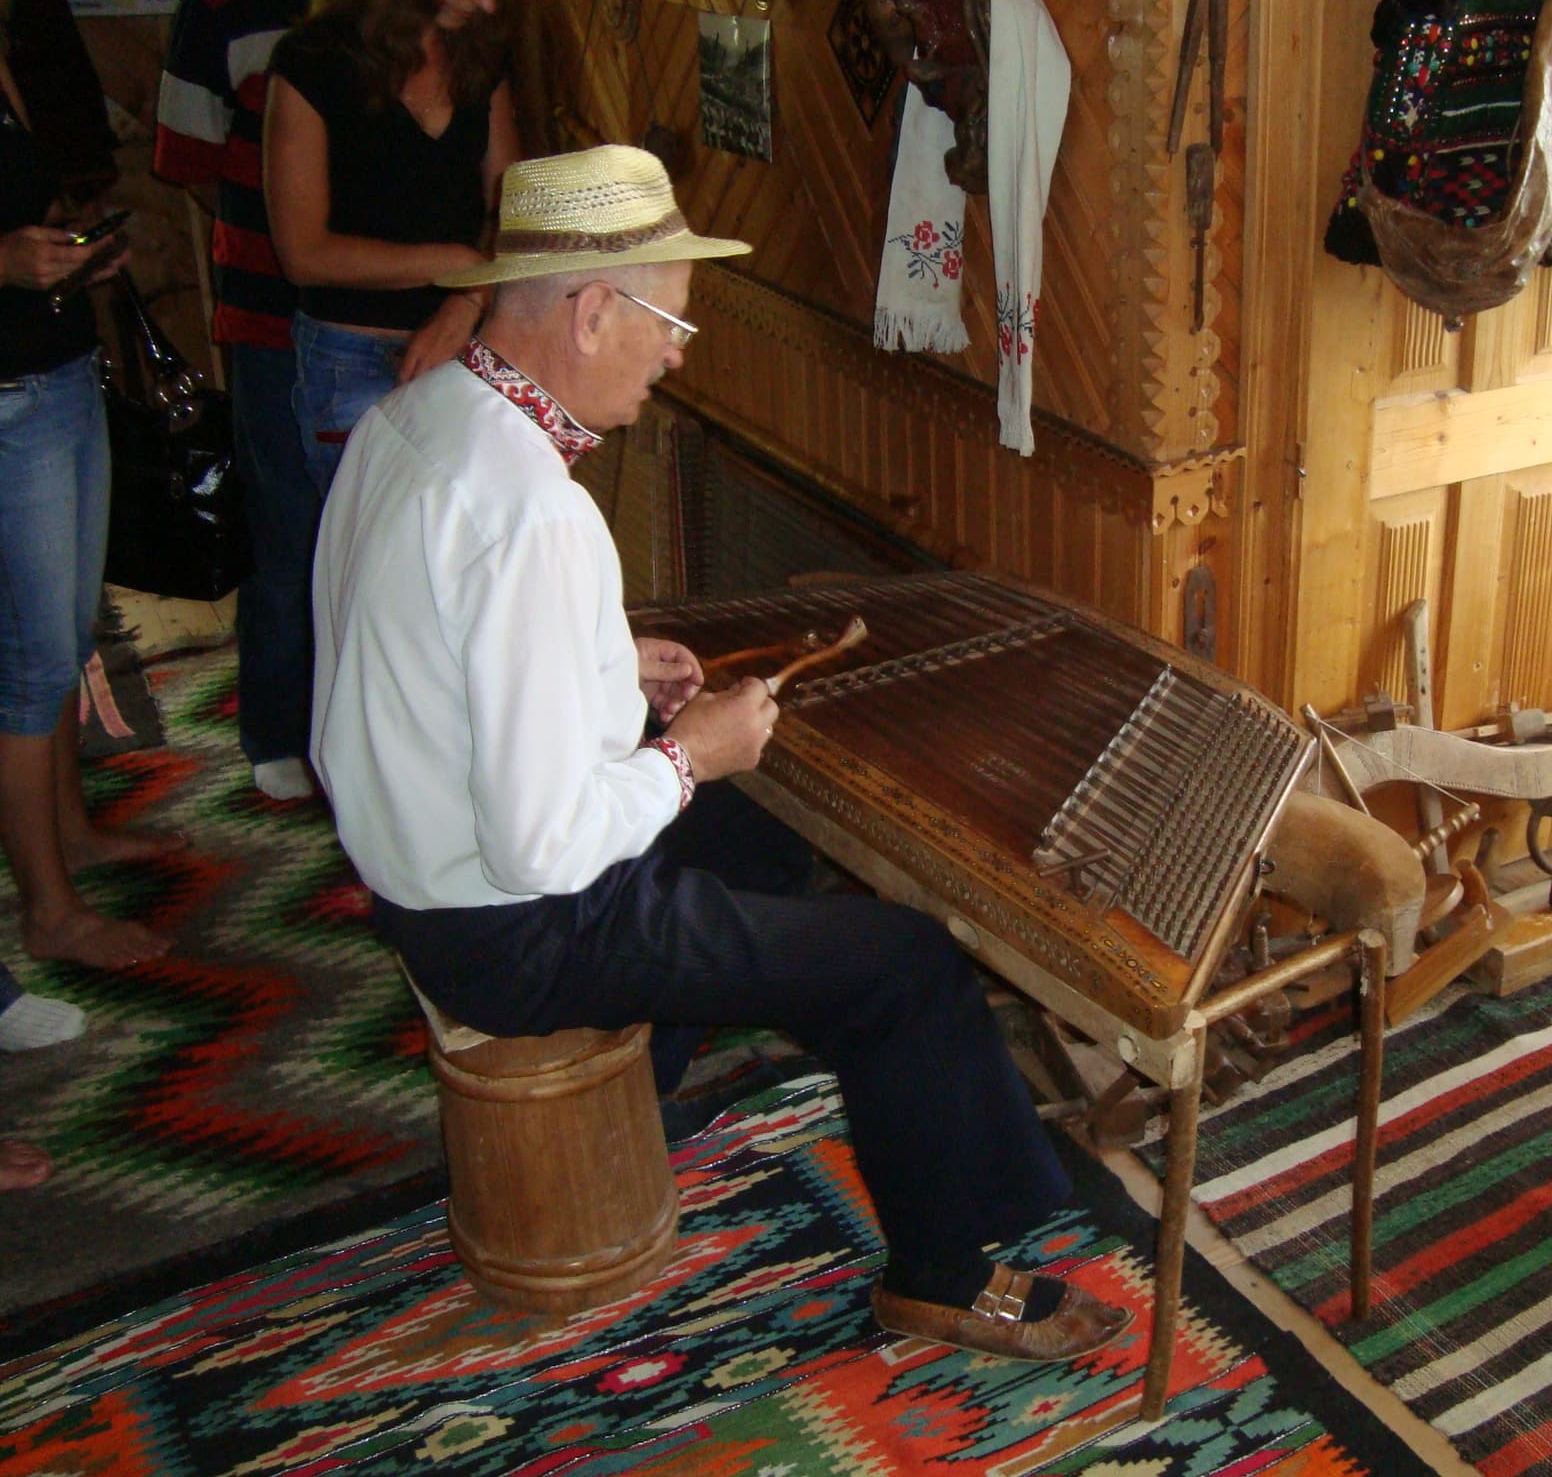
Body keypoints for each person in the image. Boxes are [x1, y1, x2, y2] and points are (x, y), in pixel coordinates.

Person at [311, 145, 1130, 1364]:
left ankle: (638, 1090)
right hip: (510, 928)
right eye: (666, 323)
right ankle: (946, 1276)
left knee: (763, 834)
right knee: (904, 967)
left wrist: (604, 660)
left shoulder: (423, 413)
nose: (678, 353)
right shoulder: (536, 512)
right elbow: (540, 844)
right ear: (592, 313)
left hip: (417, 875)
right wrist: (687, 753)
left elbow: (410, 654)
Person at [261, 0, 519, 799]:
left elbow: (510, 216)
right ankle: (377, 808)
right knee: (373, 605)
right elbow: (303, 252)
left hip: (464, 350)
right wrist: (449, 264)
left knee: (460, 594)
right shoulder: (310, 62)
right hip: (349, 359)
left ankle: (449, 796)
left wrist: (467, 301)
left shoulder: (481, 55)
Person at [0, 0, 177, 983]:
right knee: (26, 664)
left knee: (60, 642)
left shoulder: (13, 48)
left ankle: (67, 834)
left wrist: (69, 249)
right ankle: (48, 912)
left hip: (54, 366)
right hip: (9, 397)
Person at [155, 0, 330, 804]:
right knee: (290, 537)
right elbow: (187, 162)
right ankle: (278, 731)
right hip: (272, 322)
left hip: (404, 322)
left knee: (387, 540)